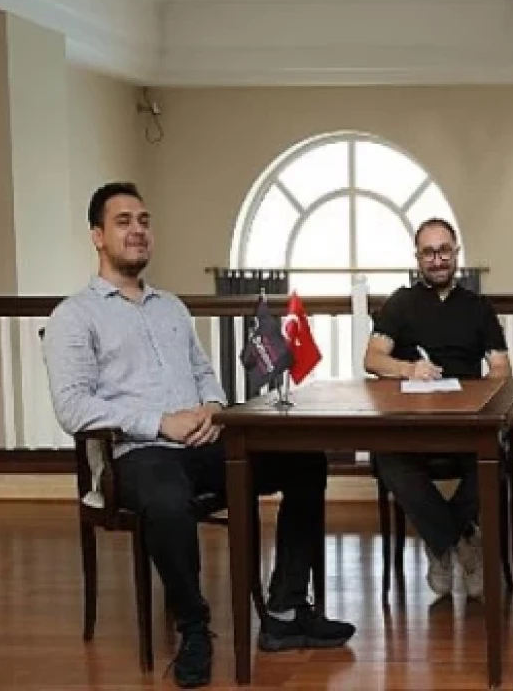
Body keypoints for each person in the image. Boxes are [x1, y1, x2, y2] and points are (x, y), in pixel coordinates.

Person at [43, 182, 354, 690]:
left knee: (304, 460)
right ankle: (193, 627)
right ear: (97, 236)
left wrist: (212, 407)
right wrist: (159, 422)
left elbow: (205, 374)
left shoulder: (172, 308)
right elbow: (73, 407)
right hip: (135, 453)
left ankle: (284, 611)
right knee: (167, 497)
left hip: (204, 443)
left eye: (144, 221)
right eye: (123, 222)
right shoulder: (73, 317)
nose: (138, 230)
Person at [363, 218, 511, 600]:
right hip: (412, 423)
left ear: (456, 253)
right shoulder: (400, 303)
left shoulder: (478, 307)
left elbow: (501, 368)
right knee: (388, 459)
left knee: (498, 458)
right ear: (417, 258)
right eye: (428, 253)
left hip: (466, 422)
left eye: (444, 251)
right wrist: (409, 369)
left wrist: (478, 393)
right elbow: (373, 358)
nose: (437, 259)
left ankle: (440, 540)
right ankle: (460, 539)